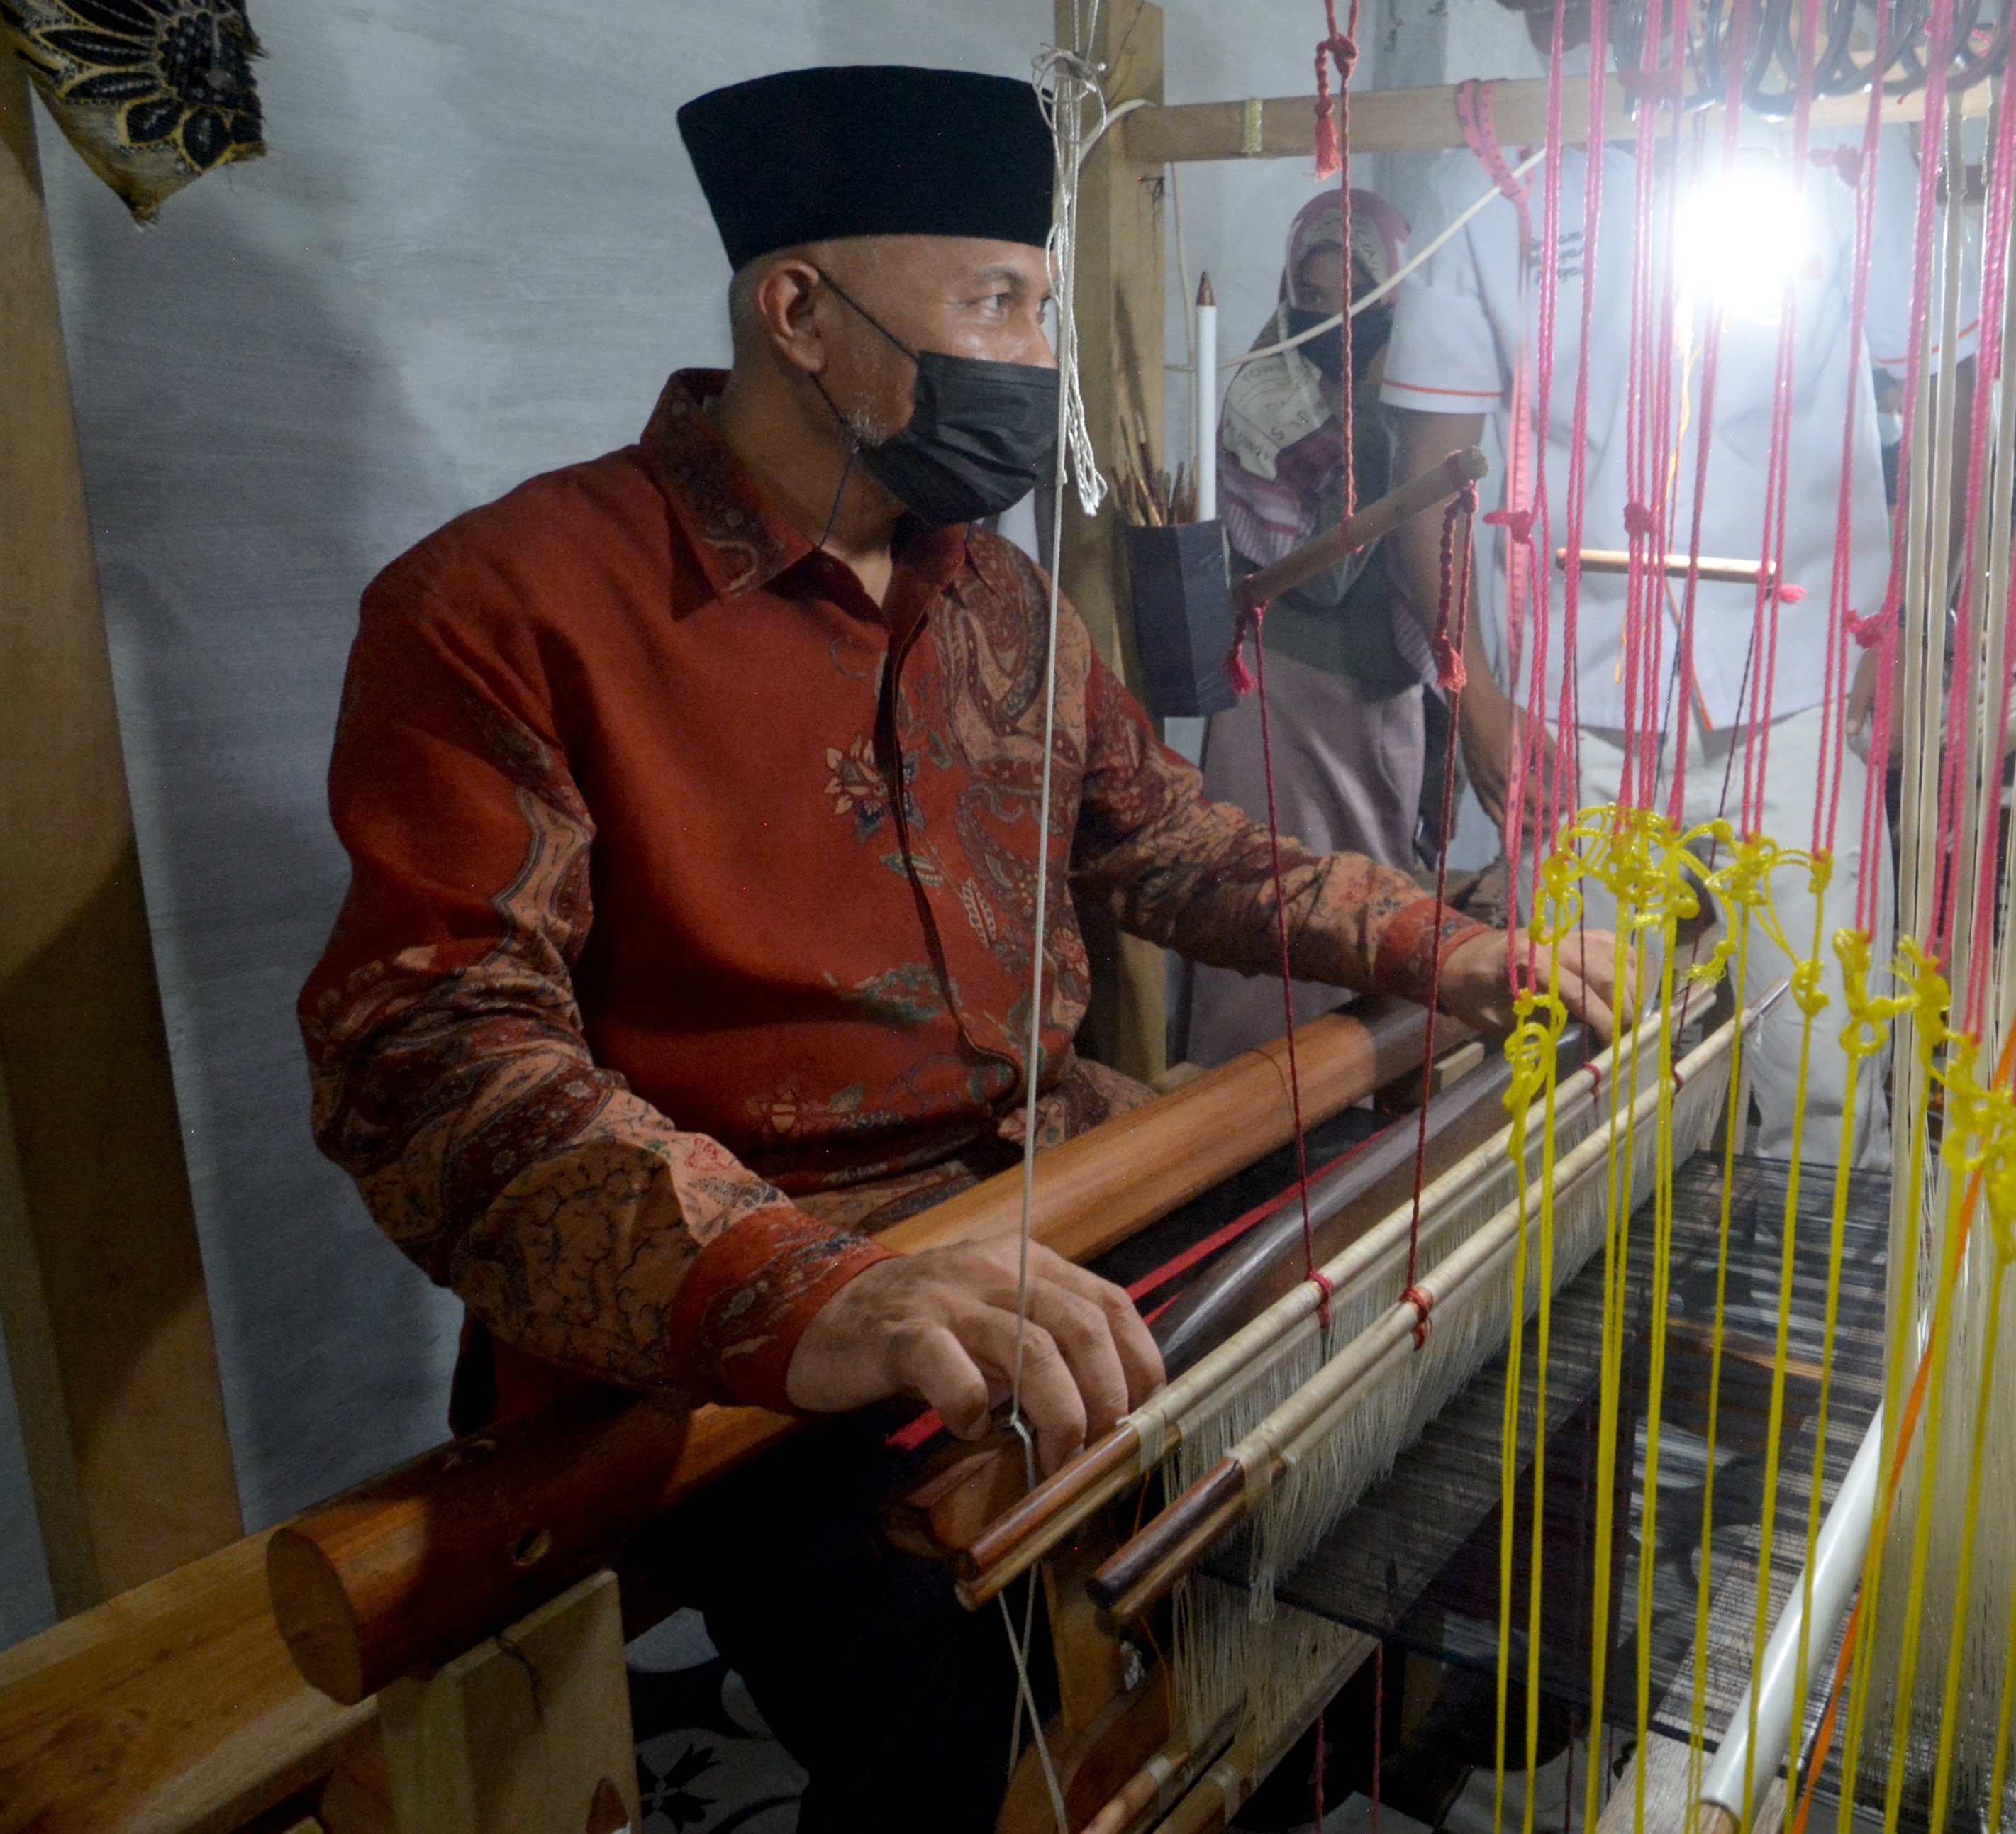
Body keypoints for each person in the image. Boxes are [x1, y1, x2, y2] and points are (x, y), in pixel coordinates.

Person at [297, 65, 1617, 1831]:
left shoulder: (992, 597)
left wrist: (1434, 945)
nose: (1035, 357)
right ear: (800, 314)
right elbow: (426, 1060)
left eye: (1041, 309)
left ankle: (1314, 1739)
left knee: (1420, 1378)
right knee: (970, 1687)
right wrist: (811, 1293)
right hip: (755, 1313)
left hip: (1055, 1195)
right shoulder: (505, 609)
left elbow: (1160, 842)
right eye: (996, 303)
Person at [1383, 0, 1971, 1168]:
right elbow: (1431, 476)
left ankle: (1819, 1277)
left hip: (1806, 693)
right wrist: (1478, 698)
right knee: (1583, 1080)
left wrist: (1912, 624)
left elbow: (1944, 396)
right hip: (1570, 715)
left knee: (1826, 1069)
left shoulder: (1843, 147)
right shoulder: (1491, 175)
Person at [1186, 188, 1437, 1066]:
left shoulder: (1427, 394)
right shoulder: (1267, 400)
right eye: (1315, 296)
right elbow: (1323, 575)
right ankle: (1250, 1109)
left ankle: (1360, 1099)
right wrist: (1365, 419)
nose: (1336, 318)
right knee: (1272, 905)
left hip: (1382, 697)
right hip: (1279, 696)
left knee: (1376, 902)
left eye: (1359, 295)